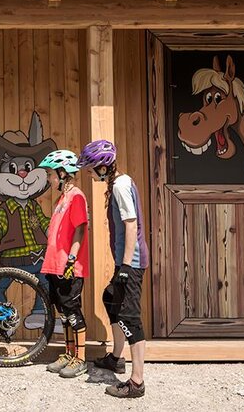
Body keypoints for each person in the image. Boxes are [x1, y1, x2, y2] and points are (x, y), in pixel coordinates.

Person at [78, 139, 149, 399]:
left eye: (91, 169)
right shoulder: (118, 183)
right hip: (126, 261)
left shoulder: (119, 186)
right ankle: (116, 358)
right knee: (110, 299)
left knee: (130, 316)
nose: (89, 173)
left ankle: (137, 382)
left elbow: (131, 225)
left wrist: (125, 267)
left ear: (103, 166)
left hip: (132, 262)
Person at [37, 150, 90, 379]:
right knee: (63, 313)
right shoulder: (61, 199)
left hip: (69, 265)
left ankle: (81, 358)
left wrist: (72, 258)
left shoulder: (76, 196)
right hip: (54, 265)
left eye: (50, 174)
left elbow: (80, 228)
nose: (49, 179)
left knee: (73, 311)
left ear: (62, 173)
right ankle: (69, 353)